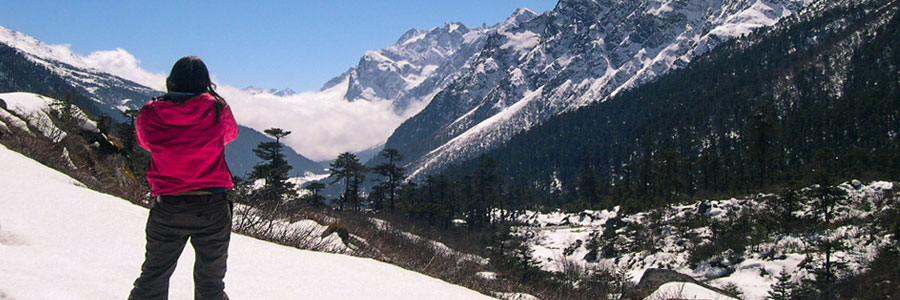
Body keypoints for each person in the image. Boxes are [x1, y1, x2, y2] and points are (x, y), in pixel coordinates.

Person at [130, 56, 238, 300]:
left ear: (172, 81)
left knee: (152, 279)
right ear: (205, 81)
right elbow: (230, 135)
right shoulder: (217, 108)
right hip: (212, 205)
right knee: (211, 285)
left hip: (168, 206)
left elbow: (145, 142)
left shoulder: (151, 111)